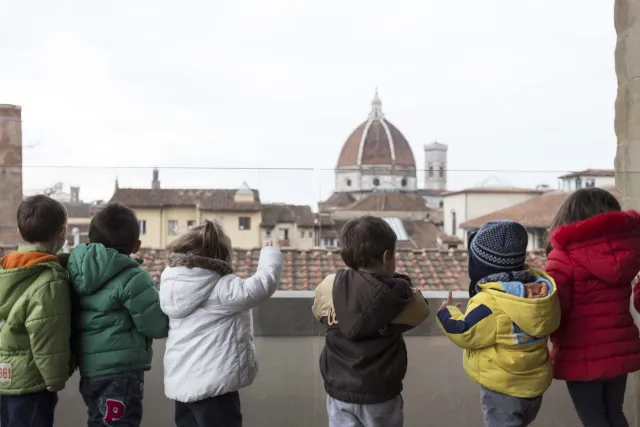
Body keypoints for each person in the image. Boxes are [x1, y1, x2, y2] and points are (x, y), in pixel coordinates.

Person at [160, 220, 283, 427]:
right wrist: (269, 254)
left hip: (181, 386)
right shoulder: (219, 286)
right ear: (221, 256)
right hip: (214, 387)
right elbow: (261, 285)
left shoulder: (170, 283)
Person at [437, 220, 560, 427]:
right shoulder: (542, 293)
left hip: (503, 389)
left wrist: (446, 312)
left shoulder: (491, 303)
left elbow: (464, 331)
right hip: (533, 388)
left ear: (480, 265)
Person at [312, 215, 430, 427]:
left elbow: (318, 311)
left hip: (339, 390)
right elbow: (421, 311)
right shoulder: (401, 298)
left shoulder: (329, 287)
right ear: (387, 257)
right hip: (381, 393)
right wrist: (396, 281)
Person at [67, 202, 169, 426]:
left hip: (89, 370)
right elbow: (156, 326)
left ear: (90, 241)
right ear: (136, 245)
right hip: (121, 374)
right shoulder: (134, 278)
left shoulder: (72, 269)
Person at [546, 188, 640, 427]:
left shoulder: (563, 255)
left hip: (580, 353)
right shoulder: (628, 254)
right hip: (619, 348)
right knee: (615, 414)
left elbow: (556, 309)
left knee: (593, 419)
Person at [0, 195, 71, 427]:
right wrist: (54, 377)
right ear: (62, 232)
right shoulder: (50, 278)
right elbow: (46, 332)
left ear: (20, 233)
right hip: (31, 382)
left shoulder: (4, 268)